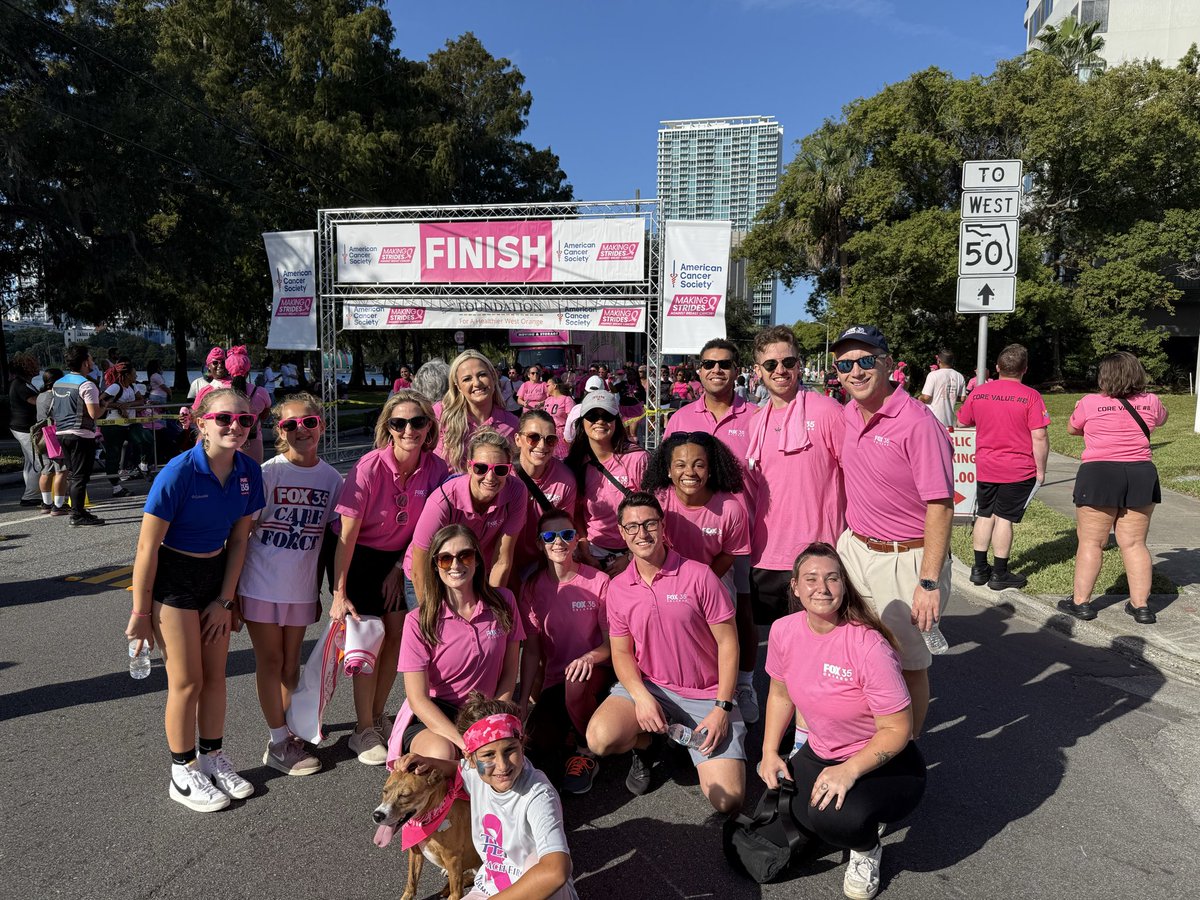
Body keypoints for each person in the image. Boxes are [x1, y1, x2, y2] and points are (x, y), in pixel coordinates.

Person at [124, 387, 265, 812]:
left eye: (244, 420)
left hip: (215, 575)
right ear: (201, 422)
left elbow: (240, 539)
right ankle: (181, 770)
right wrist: (140, 613)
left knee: (216, 677)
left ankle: (211, 758)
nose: (235, 427)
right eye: (224, 419)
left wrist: (226, 599)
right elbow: (147, 548)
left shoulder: (248, 471)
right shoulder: (178, 472)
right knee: (187, 681)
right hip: (174, 577)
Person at [759, 543, 925, 900]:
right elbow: (780, 695)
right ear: (795, 587)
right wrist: (770, 752)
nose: (823, 587)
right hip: (821, 751)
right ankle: (855, 810)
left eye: (833, 578)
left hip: (886, 761)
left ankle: (867, 850)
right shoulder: (783, 630)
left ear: (844, 585)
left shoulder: (869, 646)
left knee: (833, 820)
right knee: (781, 816)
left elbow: (899, 730)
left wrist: (848, 771)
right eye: (812, 579)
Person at [585, 492, 745, 812]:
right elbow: (621, 653)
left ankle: (680, 740)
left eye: (649, 524)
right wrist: (642, 697)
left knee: (728, 800)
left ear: (663, 526)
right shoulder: (618, 588)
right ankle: (646, 745)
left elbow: (729, 643)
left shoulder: (699, 576)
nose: (641, 534)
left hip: (707, 694)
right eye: (632, 527)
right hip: (653, 687)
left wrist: (722, 708)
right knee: (599, 738)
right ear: (621, 532)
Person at [832, 324, 953, 738]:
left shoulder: (918, 423)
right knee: (860, 655)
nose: (856, 371)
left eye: (866, 361)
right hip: (855, 549)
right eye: (845, 364)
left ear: (887, 363)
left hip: (907, 559)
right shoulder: (847, 413)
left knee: (907, 664)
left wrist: (929, 581)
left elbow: (940, 505)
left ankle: (908, 747)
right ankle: (871, 736)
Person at [331, 390, 448, 765]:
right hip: (359, 557)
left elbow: (430, 527)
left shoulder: (436, 468)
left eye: (418, 421)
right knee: (368, 644)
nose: (409, 429)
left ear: (430, 426)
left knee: (397, 639)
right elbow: (347, 536)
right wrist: (339, 591)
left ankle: (376, 717)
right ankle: (362, 730)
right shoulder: (369, 466)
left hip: (400, 560)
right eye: (399, 423)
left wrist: (399, 567)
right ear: (389, 428)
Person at [239, 393, 342, 776]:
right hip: (260, 584)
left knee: (290, 665)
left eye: (309, 422)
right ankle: (278, 740)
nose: (301, 430)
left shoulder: (332, 480)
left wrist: (329, 592)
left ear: (321, 426)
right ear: (279, 431)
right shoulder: (269, 473)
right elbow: (243, 534)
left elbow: (333, 542)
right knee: (269, 661)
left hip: (301, 589)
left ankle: (289, 729)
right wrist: (230, 592)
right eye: (290, 425)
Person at [396, 693, 579, 899]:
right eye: (488, 755)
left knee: (537, 860)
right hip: (492, 888)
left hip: (538, 893)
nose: (502, 765)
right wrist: (428, 761)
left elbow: (555, 872)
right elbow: (459, 768)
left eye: (510, 750)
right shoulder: (476, 774)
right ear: (471, 759)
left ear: (522, 743)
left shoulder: (538, 795)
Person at [642, 431, 758, 724]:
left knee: (717, 642)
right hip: (665, 579)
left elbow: (729, 554)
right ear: (668, 470)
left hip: (713, 580)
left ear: (711, 469)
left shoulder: (730, 508)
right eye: (680, 465)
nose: (689, 472)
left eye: (698, 464)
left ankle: (730, 693)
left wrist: (697, 585)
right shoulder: (659, 501)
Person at [396, 525, 523, 763]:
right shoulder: (418, 621)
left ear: (477, 559)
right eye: (445, 559)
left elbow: (508, 674)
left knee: (503, 761)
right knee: (446, 754)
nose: (455, 565)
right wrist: (466, 742)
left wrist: (492, 720)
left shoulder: (504, 602)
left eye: (465, 555)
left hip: (486, 710)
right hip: (437, 717)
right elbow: (418, 699)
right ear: (435, 565)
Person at [746, 325, 846, 627]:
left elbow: (856, 475)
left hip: (820, 557)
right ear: (758, 371)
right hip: (766, 557)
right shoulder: (755, 422)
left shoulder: (827, 410)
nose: (780, 370)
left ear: (799, 365)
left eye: (788, 362)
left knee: (821, 647)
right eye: (771, 364)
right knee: (779, 649)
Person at [1059, 351, 1168, 625]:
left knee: (1091, 542)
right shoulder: (1151, 401)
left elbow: (1073, 429)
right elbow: (1161, 420)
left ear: (1103, 376)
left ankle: (1081, 603)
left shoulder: (1089, 402)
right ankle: (1141, 606)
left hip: (1099, 473)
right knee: (1134, 543)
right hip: (1140, 473)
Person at [518, 508, 611, 794]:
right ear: (539, 544)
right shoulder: (531, 588)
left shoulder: (598, 581)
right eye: (549, 536)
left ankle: (586, 750)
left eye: (566, 534)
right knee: (536, 747)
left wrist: (587, 658)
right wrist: (522, 703)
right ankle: (570, 732)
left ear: (575, 540)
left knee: (576, 682)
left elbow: (612, 646)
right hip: (556, 682)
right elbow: (532, 652)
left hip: (596, 675)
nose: (558, 541)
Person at [956, 344, 1050, 590]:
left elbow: (962, 421)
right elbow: (1039, 436)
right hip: (1018, 468)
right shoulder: (1030, 396)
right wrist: (1041, 469)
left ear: (997, 368)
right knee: (1005, 519)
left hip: (986, 465)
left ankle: (979, 569)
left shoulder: (979, 392)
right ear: (1024, 369)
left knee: (985, 514)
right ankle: (999, 573)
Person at [566, 391, 649, 574]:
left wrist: (630, 557)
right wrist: (584, 548)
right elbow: (577, 512)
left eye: (607, 416)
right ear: (582, 421)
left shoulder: (637, 459)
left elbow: (654, 510)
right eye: (592, 416)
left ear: (616, 421)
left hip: (635, 551)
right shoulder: (575, 464)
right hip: (592, 553)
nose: (600, 421)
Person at [512, 410, 577, 578]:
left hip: (541, 562)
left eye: (550, 440)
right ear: (518, 439)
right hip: (502, 558)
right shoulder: (502, 474)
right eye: (533, 437)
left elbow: (563, 531)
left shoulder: (566, 480)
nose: (542, 446)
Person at [436, 351, 520, 474]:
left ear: (493, 376)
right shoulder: (440, 415)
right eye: (467, 379)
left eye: (482, 375)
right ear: (458, 386)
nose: (477, 383)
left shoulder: (512, 423)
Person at [52, 344, 106, 527]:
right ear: (84, 363)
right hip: (81, 434)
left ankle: (78, 510)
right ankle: (77, 514)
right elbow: (94, 414)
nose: (92, 361)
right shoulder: (87, 385)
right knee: (80, 476)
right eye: (90, 358)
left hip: (61, 432)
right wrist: (105, 406)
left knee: (73, 474)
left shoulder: (58, 383)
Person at [194, 347, 272, 464]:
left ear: (228, 369)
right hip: (252, 441)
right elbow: (265, 414)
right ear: (248, 370)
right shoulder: (260, 392)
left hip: (218, 443)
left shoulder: (214, 393)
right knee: (252, 476)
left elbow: (196, 415)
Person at [8, 352, 42, 506]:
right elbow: (35, 401)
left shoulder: (24, 383)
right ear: (26, 367)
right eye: (33, 364)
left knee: (30, 461)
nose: (37, 366)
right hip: (24, 427)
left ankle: (33, 492)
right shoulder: (20, 385)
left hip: (23, 426)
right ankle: (30, 496)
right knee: (38, 461)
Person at [34, 366, 69, 514]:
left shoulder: (40, 396)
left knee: (46, 470)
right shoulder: (57, 395)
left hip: (42, 436)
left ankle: (46, 503)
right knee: (61, 470)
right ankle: (59, 505)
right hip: (55, 435)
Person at [918, 349, 966, 428]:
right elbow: (962, 398)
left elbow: (926, 398)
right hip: (949, 420)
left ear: (939, 361)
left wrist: (919, 398)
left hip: (934, 419)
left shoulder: (933, 375)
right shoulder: (959, 376)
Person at [563, 374, 605, 445]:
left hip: (580, 449)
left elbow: (568, 437)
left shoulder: (576, 409)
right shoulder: (609, 409)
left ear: (585, 391)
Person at [542, 377, 575, 458]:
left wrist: (568, 435)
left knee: (563, 458)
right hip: (548, 433)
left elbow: (572, 420)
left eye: (548, 385)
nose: (546, 387)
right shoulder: (548, 400)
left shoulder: (567, 400)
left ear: (555, 386)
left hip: (562, 435)